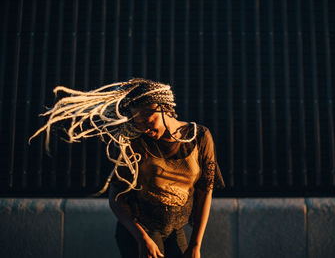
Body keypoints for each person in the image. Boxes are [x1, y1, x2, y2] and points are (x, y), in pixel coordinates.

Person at [29, 78, 224, 258]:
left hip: (174, 230)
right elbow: (116, 197)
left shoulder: (199, 137)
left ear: (164, 108)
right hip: (139, 229)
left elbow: (205, 191)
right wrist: (141, 238)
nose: (144, 128)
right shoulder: (134, 142)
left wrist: (196, 245)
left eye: (148, 121)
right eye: (138, 124)